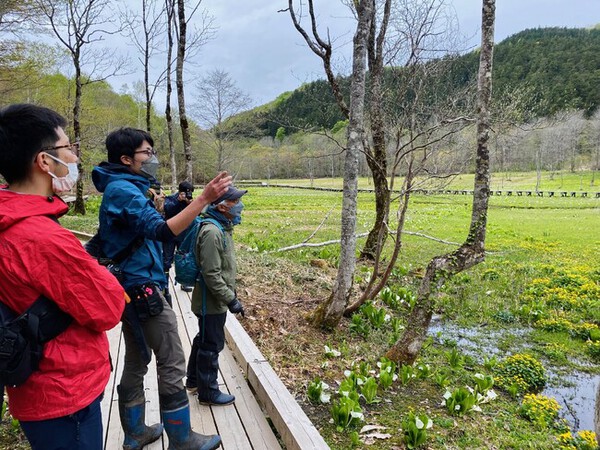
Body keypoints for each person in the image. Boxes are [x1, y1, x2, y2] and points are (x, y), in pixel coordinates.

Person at [92, 127, 230, 450]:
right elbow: (162, 232)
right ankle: (182, 439)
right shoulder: (124, 191)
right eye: (146, 153)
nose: (153, 158)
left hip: (132, 287)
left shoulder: (126, 188)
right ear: (126, 159)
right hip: (142, 290)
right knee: (172, 358)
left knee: (137, 358)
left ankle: (135, 433)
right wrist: (204, 200)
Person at [0, 103, 126, 449]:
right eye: (68, 147)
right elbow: (107, 308)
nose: (73, 156)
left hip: (33, 386)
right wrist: (102, 277)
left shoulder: (7, 219)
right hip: (63, 389)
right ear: (44, 161)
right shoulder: (41, 237)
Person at [186, 186, 247, 406]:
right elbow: (211, 274)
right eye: (235, 202)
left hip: (213, 299)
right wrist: (230, 299)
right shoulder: (212, 232)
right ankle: (208, 392)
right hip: (210, 301)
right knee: (211, 345)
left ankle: (193, 381)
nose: (239, 206)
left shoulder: (222, 227)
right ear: (221, 206)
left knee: (203, 338)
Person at [164, 181, 195, 292]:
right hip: (170, 234)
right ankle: (165, 284)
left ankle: (184, 282)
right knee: (166, 260)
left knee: (184, 258)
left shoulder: (190, 201)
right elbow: (168, 210)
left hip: (184, 234)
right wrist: (178, 201)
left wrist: (191, 204)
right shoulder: (171, 199)